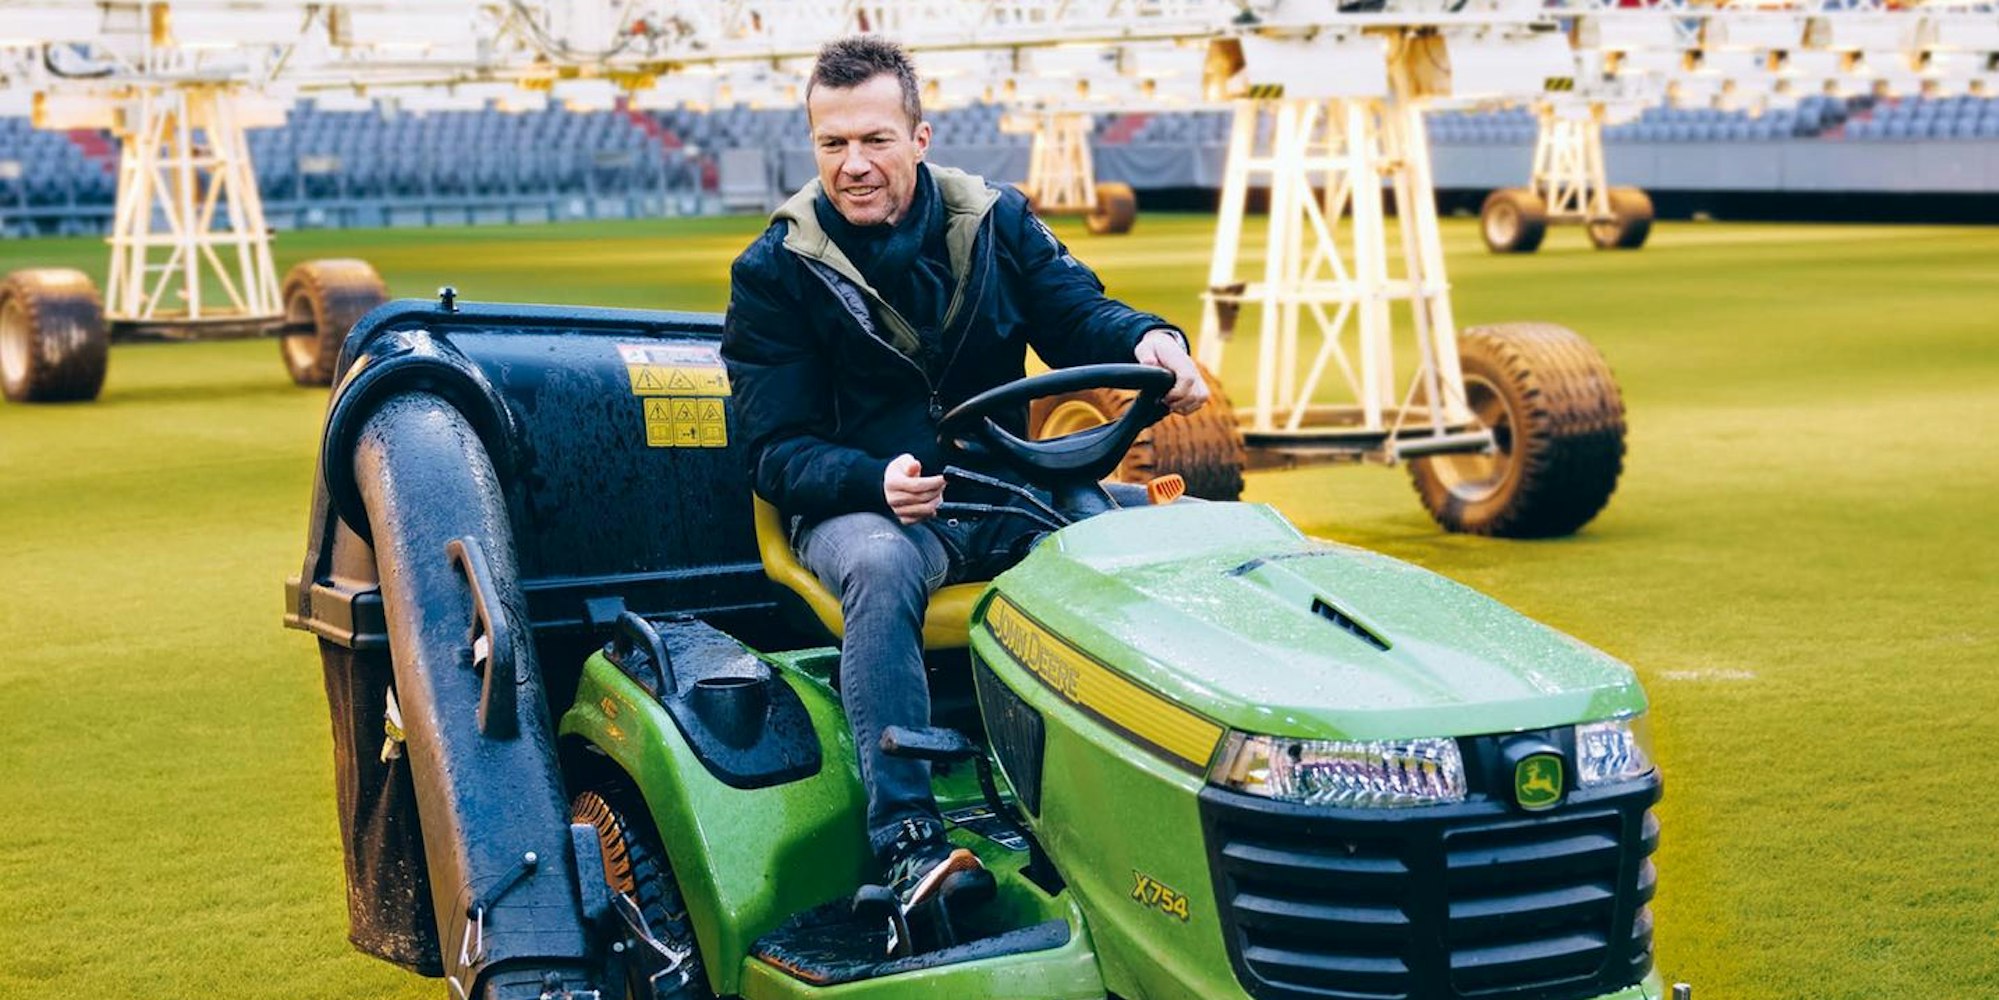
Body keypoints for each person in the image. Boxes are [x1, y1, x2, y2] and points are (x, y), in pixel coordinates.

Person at [720, 35, 1207, 924]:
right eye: (832, 145)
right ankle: (906, 840)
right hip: (862, 507)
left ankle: (1131, 800)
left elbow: (1078, 315)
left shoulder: (995, 221)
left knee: (1112, 548)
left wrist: (1149, 341)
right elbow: (772, 452)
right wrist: (874, 479)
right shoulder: (776, 271)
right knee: (880, 564)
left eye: (874, 140)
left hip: (1001, 483)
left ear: (919, 137)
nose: (854, 166)